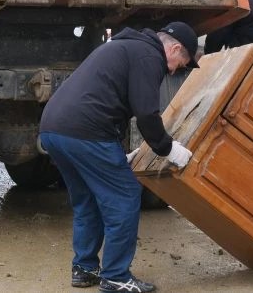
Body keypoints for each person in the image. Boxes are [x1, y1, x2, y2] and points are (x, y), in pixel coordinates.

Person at [39, 22, 200, 293]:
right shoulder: (150, 57)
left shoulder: (126, 46)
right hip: (86, 131)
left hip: (54, 128)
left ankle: (85, 267)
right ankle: (115, 276)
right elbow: (147, 114)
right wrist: (168, 148)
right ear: (174, 48)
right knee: (124, 195)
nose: (173, 70)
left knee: (87, 199)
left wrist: (117, 153)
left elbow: (107, 98)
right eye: (180, 64)